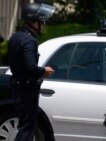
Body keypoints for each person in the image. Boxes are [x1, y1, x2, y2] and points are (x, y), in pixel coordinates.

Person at [8, 3, 55, 141]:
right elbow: (31, 67)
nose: (43, 24)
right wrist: (44, 71)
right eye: (42, 21)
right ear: (33, 21)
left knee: (25, 126)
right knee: (27, 128)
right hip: (27, 90)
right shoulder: (30, 41)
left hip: (18, 87)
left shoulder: (15, 37)